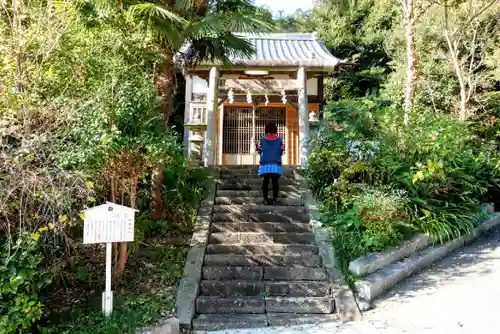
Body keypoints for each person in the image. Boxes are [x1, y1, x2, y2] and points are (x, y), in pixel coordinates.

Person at [256, 122, 284, 205]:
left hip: (265, 164)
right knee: (275, 182)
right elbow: (281, 151)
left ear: (266, 129)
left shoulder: (262, 139)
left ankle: (265, 199)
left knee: (266, 181)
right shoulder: (280, 139)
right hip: (276, 164)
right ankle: (275, 200)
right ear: (275, 129)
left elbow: (259, 150)